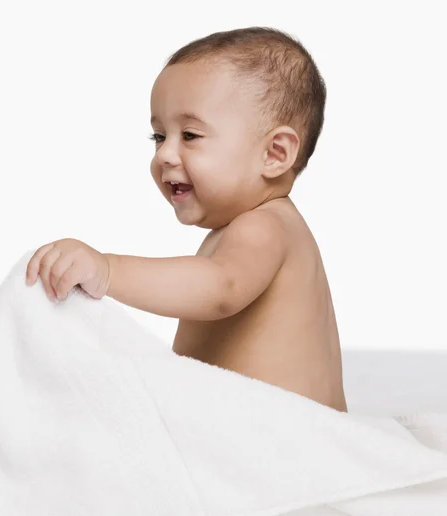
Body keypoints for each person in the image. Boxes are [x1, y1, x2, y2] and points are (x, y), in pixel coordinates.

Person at [26, 27, 348, 412]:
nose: (165, 155)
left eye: (191, 135)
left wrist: (107, 270)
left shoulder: (266, 227)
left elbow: (220, 289)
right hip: (269, 441)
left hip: (290, 445)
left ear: (275, 153)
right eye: (159, 137)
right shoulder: (246, 227)